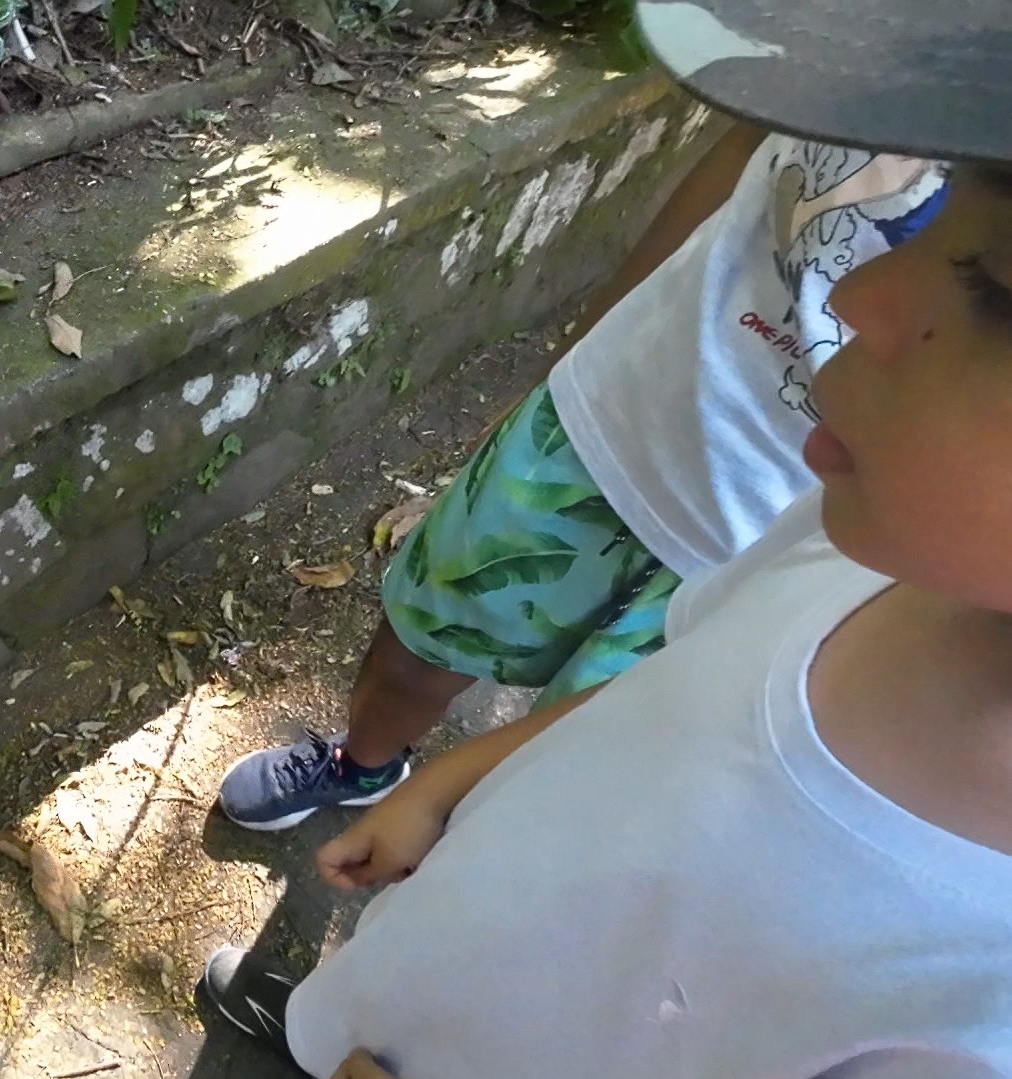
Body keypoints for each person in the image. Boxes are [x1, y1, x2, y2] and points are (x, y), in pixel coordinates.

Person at [198, 2, 1012, 1076]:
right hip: (629, 440)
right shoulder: (845, 564)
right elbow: (627, 728)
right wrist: (440, 790)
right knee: (423, 639)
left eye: (995, 285)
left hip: (742, 509)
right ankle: (340, 880)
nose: (852, 298)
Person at [216, 38, 950, 831]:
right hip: (612, 414)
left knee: (558, 799)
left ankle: (438, 896)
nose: (856, 308)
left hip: (780, 546)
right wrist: (583, 348)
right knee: (419, 644)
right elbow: (748, 136)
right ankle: (360, 767)